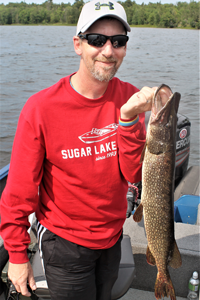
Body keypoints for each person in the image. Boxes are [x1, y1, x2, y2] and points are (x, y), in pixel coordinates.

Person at [0, 0, 156, 299]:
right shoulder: (40, 109)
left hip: (111, 237)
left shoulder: (130, 98)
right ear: (78, 44)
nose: (108, 51)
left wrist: (127, 120)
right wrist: (17, 256)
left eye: (118, 41)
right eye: (97, 40)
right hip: (65, 243)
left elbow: (135, 173)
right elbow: (19, 191)